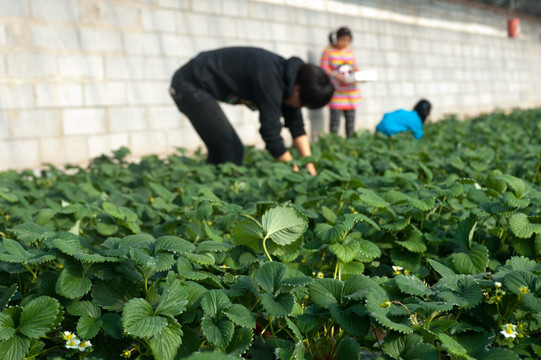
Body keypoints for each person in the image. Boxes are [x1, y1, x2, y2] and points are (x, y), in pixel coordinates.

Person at [169, 47, 334, 176]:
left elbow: (296, 124)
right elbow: (271, 134)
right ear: (297, 89)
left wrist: (309, 166)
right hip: (189, 84)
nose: (300, 107)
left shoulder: (290, 79)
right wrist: (295, 173)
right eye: (303, 102)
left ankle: (208, 190)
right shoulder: (270, 78)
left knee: (222, 151)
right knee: (231, 151)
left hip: (195, 82)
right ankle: (218, 199)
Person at [320, 26, 362, 138]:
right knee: (335, 122)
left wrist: (359, 75)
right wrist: (335, 75)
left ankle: (350, 142)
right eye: (343, 40)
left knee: (350, 122)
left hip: (350, 93)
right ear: (337, 38)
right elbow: (324, 68)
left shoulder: (349, 51)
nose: (345, 43)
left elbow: (355, 67)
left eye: (347, 41)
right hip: (336, 92)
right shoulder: (328, 51)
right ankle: (333, 143)